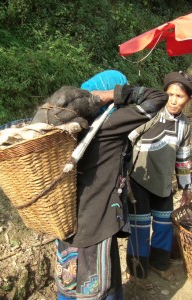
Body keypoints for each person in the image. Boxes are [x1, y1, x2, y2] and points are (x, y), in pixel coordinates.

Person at [54, 69, 169, 300]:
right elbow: (158, 98)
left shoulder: (67, 127)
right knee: (104, 287)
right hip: (98, 223)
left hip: (65, 219)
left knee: (69, 282)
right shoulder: (110, 124)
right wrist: (111, 95)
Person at [126, 71, 192, 285]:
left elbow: (183, 157)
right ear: (164, 94)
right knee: (139, 228)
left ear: (188, 99)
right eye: (170, 94)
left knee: (164, 226)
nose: (173, 100)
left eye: (179, 96)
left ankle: (160, 263)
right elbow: (127, 139)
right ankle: (138, 270)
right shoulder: (150, 115)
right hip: (138, 181)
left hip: (164, 184)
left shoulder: (185, 126)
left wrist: (186, 188)